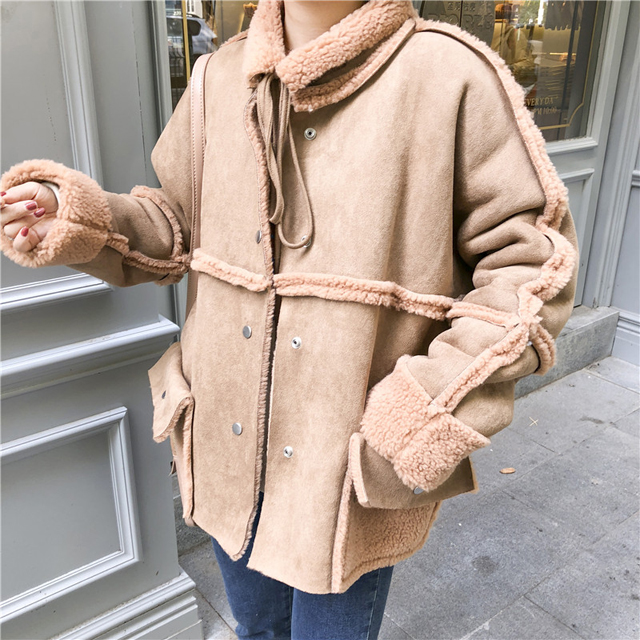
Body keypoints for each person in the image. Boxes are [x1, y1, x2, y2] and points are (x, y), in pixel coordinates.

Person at [0, 1, 579, 638]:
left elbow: (533, 270)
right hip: (225, 441)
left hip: (343, 459)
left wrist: (423, 407)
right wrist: (80, 219)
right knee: (257, 630)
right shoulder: (218, 76)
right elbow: (177, 224)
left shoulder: (449, 74)